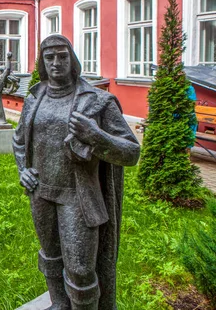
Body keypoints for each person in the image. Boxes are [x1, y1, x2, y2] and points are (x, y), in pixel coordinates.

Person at [13, 35, 140, 309]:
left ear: (73, 60)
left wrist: (97, 136)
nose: (56, 63)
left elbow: (131, 152)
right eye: (49, 58)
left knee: (81, 269)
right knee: (50, 257)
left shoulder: (97, 101)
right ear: (41, 63)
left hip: (78, 197)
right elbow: (19, 141)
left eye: (62, 56)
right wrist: (23, 169)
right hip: (40, 192)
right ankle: (59, 305)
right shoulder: (35, 98)